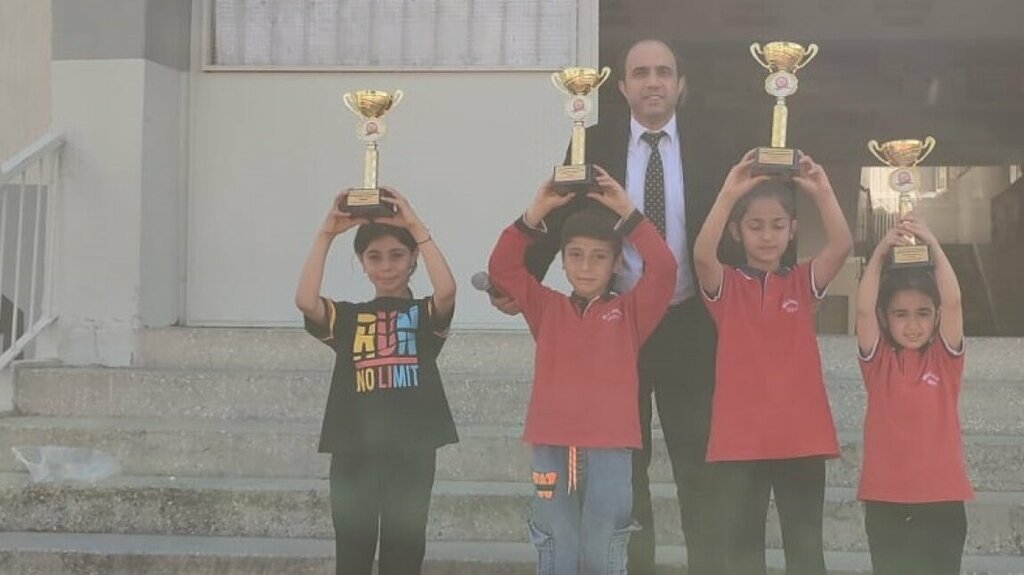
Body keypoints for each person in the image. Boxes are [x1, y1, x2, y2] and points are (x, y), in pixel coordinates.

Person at [489, 38, 734, 575]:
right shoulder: (593, 141)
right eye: (640, 73)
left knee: (700, 464)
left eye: (663, 72)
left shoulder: (713, 142)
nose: (653, 81)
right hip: (619, 328)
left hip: (692, 322)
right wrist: (522, 281)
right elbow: (562, 212)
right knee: (626, 470)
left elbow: (737, 219)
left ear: (680, 84)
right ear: (621, 87)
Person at [487, 167, 676, 575]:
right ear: (562, 260)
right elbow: (503, 269)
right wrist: (535, 213)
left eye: (599, 257)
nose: (586, 266)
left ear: (616, 263)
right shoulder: (546, 307)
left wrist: (628, 213)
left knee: (604, 548)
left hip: (611, 449)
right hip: (552, 446)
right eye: (575, 255)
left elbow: (664, 270)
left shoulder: (630, 313)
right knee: (557, 544)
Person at [692, 150, 853, 574]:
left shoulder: (801, 282)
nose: (767, 236)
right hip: (741, 442)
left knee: (806, 550)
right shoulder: (727, 285)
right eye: (755, 226)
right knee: (743, 553)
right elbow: (703, 256)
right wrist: (729, 193)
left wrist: (823, 191)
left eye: (778, 226)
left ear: (792, 230)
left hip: (802, 438)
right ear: (736, 231)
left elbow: (841, 246)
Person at [294, 188, 458, 575]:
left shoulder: (423, 315)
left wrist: (415, 226)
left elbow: (447, 290)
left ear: (413, 258)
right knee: (353, 551)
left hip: (412, 450)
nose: (386, 266)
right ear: (362, 263)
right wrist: (326, 234)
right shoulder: (347, 318)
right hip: (354, 450)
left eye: (397, 255)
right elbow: (306, 301)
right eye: (374, 257)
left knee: (404, 550)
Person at [855, 215, 973, 575]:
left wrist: (933, 244)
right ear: (885, 317)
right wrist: (880, 252)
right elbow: (863, 308)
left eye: (923, 313)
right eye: (901, 314)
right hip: (885, 500)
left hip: (942, 499)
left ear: (936, 317)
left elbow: (954, 301)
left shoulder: (945, 361)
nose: (912, 324)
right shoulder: (878, 363)